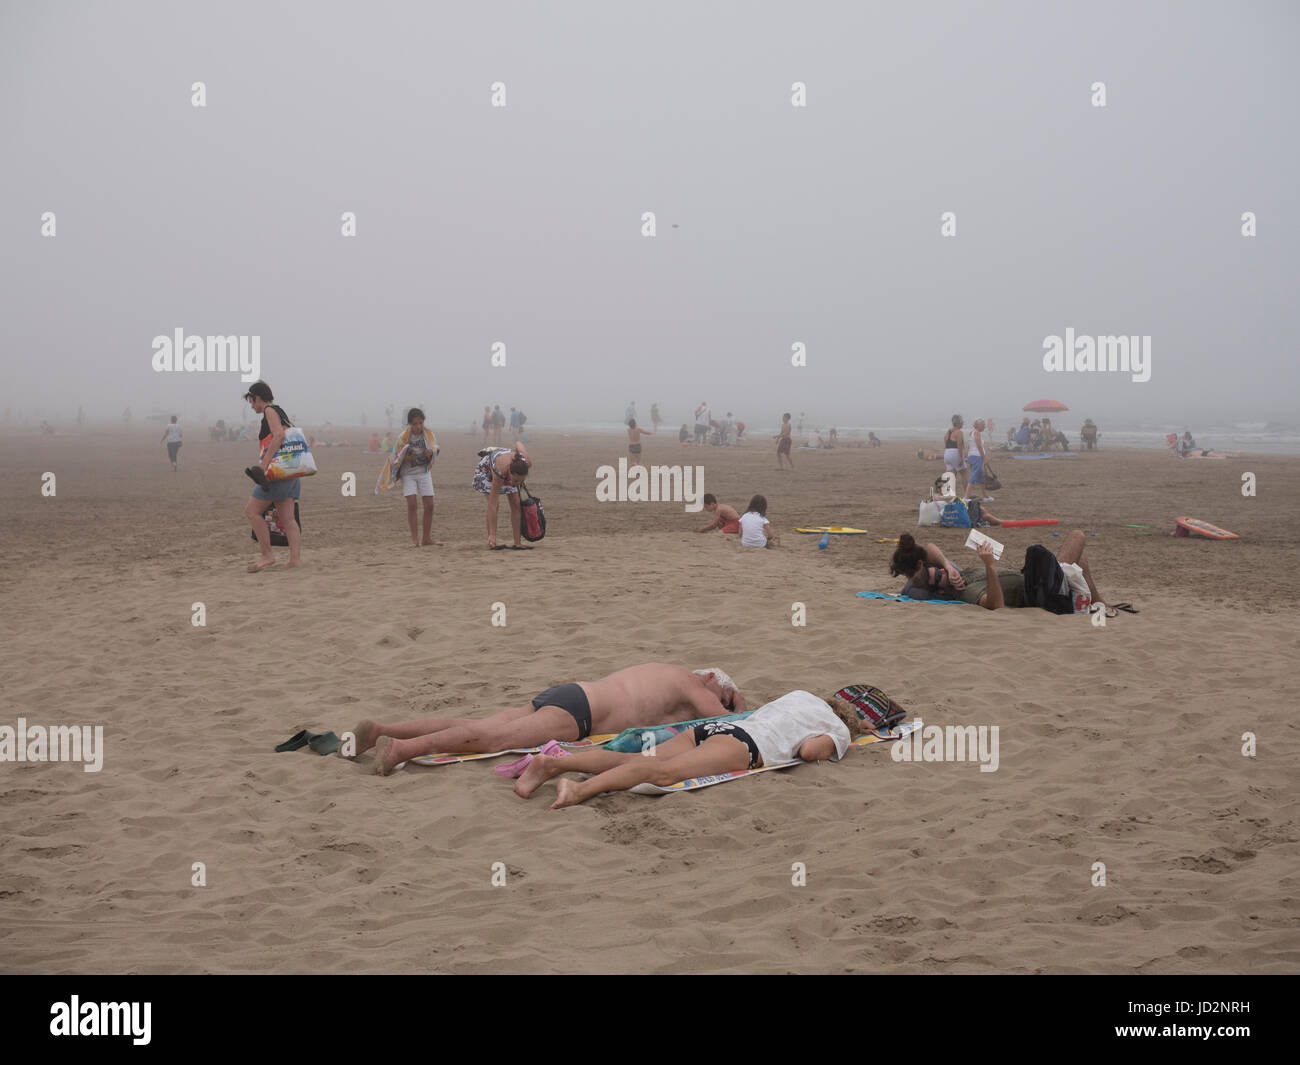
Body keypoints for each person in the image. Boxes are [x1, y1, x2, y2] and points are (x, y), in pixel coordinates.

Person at [349, 664, 748, 773]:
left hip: (572, 693)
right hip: (583, 714)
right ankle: (402, 749)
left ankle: (382, 731)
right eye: (722, 695)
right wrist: (735, 699)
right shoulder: (696, 683)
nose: (721, 703)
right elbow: (740, 722)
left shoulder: (666, 673)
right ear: (712, 678)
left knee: (484, 725)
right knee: (491, 740)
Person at [512, 689, 859, 809]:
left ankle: (555, 765)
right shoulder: (839, 728)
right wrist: (844, 737)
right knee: (663, 773)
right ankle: (578, 789)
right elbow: (811, 753)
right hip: (745, 746)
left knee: (636, 758)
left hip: (718, 729)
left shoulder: (801, 696)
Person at [890, 532, 1101, 611]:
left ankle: (1100, 603)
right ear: (941, 591)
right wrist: (989, 565)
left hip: (1032, 580)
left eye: (938, 570)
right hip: (1041, 592)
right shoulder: (965, 592)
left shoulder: (954, 575)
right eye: (938, 576)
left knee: (1080, 559)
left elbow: (929, 548)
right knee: (1076, 537)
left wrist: (946, 566)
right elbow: (995, 605)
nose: (943, 573)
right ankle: (1097, 603)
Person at [242, 381, 302, 571]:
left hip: (277, 474)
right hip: (291, 471)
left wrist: (264, 464)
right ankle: (294, 560)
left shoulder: (269, 411)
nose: (252, 406)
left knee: (251, 511)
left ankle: (267, 555)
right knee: (288, 519)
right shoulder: (280, 411)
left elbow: (278, 436)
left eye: (252, 402)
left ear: (258, 398)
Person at [472, 439, 532, 549]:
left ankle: (517, 543)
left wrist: (515, 449)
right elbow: (492, 505)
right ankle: (492, 541)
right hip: (487, 469)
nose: (516, 484)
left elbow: (518, 443)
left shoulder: (526, 463)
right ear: (510, 473)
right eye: (515, 480)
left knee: (516, 503)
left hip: (510, 463)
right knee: (495, 504)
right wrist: (492, 535)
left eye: (520, 481)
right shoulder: (500, 470)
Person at [395, 407, 437, 546]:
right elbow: (397, 458)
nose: (418, 426)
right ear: (410, 424)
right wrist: (407, 458)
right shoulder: (403, 437)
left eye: (420, 423)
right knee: (412, 505)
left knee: (429, 505)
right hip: (408, 474)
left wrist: (430, 454)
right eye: (414, 424)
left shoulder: (429, 435)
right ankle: (414, 539)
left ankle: (426, 538)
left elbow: (435, 449)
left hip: (424, 472)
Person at [966, 418, 993, 502]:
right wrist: (984, 457)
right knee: (974, 476)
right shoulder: (977, 433)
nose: (985, 426)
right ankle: (966, 497)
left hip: (973, 456)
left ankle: (985, 497)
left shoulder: (972, 432)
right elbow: (979, 446)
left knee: (981, 477)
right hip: (976, 456)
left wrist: (967, 456)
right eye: (983, 425)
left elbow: (969, 446)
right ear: (978, 425)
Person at [943, 415, 967, 497]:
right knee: (964, 474)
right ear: (959, 423)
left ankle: (950, 495)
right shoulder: (959, 432)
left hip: (947, 453)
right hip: (955, 452)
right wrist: (961, 457)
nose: (963, 423)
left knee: (951, 476)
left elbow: (945, 442)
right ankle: (966, 496)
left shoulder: (948, 432)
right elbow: (959, 444)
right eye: (962, 421)